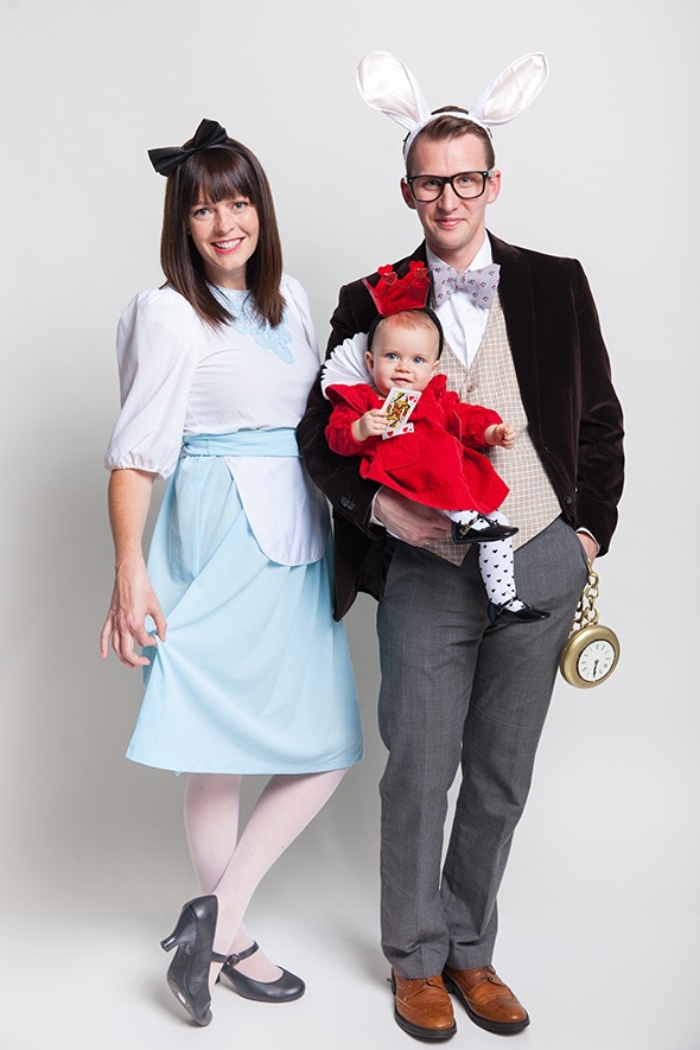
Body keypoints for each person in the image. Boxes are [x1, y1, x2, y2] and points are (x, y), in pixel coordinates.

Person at [297, 51, 624, 1042]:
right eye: (431, 180)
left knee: (499, 773)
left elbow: (600, 421)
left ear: (492, 182)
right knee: (419, 767)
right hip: (427, 570)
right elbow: (320, 434)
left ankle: (472, 950)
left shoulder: (556, 283)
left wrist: (585, 531)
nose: (449, 195)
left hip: (538, 554)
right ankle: (415, 961)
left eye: (466, 177)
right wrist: (377, 515)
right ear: (408, 189)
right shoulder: (369, 298)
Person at [100, 118, 363, 1028]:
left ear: (262, 210)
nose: (225, 223)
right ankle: (231, 940)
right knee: (213, 752)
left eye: (240, 200)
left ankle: (215, 925)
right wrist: (130, 571)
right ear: (182, 219)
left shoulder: (290, 298)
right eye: (204, 206)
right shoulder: (167, 313)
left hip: (296, 531)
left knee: (323, 744)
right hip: (214, 534)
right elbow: (136, 457)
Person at [323, 298, 549, 622]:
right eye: (392, 356)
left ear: (433, 369)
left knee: (496, 523)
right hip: (404, 470)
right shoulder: (362, 400)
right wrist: (359, 428)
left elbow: (462, 418)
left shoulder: (433, 398)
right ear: (370, 361)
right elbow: (334, 437)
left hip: (445, 477)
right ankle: (465, 519)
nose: (403, 367)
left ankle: (503, 597)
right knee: (437, 459)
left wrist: (490, 431)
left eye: (416, 359)